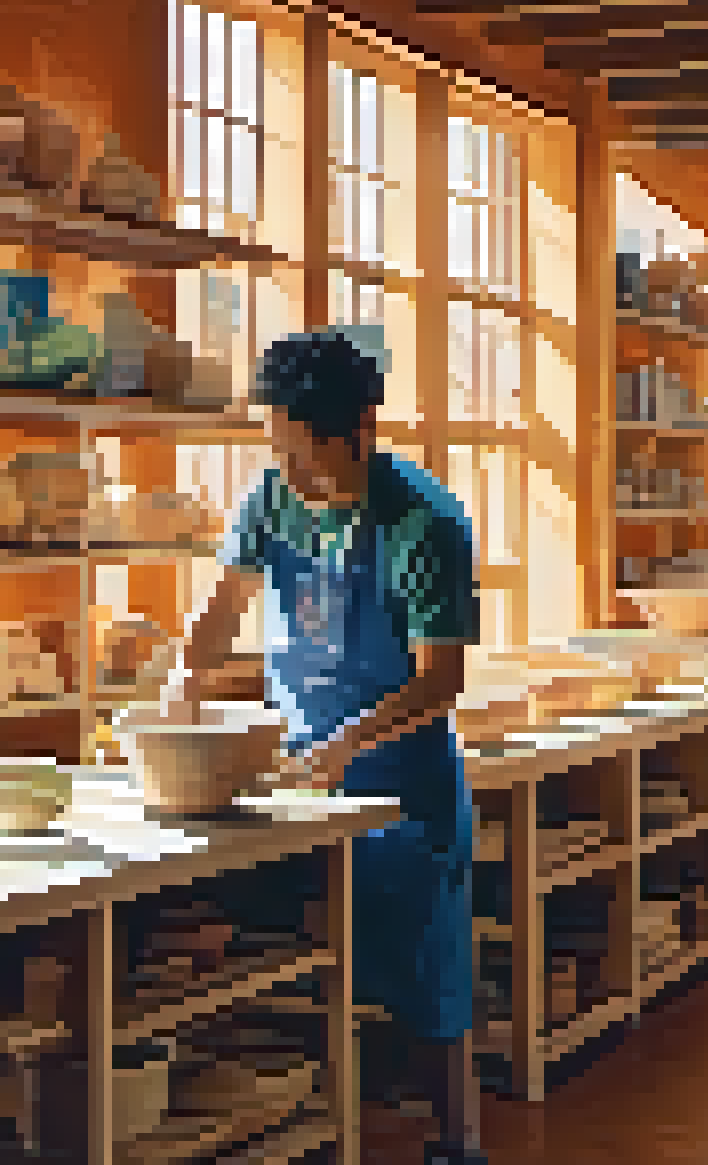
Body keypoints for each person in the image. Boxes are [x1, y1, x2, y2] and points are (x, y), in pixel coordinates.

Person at [160, 329, 484, 1165]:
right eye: (282, 456)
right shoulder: (271, 497)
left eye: (310, 460)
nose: (296, 479)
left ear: (361, 431)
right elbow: (224, 605)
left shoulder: (424, 524)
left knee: (427, 984)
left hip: (399, 783)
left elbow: (441, 678)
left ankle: (455, 1144)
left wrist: (349, 745)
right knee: (299, 970)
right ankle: (315, 1131)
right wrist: (185, 678)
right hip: (299, 781)